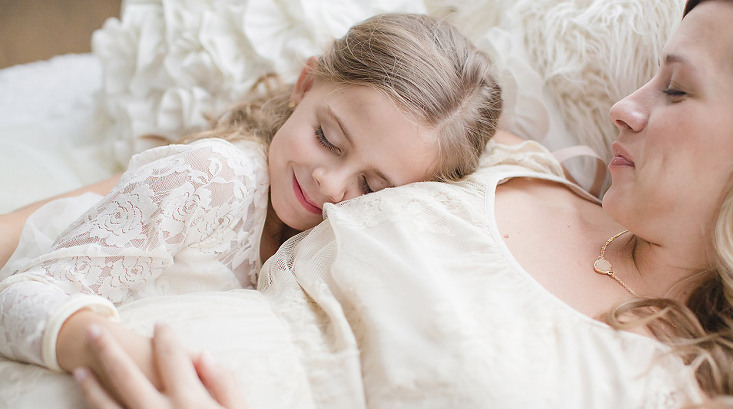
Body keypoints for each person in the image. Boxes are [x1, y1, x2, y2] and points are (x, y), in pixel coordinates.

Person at [42, 0, 733, 409]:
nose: (624, 107)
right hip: (51, 373)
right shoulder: (511, 164)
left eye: (675, 88)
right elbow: (188, 185)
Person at [0, 13, 502, 378]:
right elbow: (18, 295)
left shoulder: (333, 244)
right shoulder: (212, 178)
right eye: (327, 138)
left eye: (371, 186)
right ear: (303, 87)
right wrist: (123, 358)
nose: (330, 183)